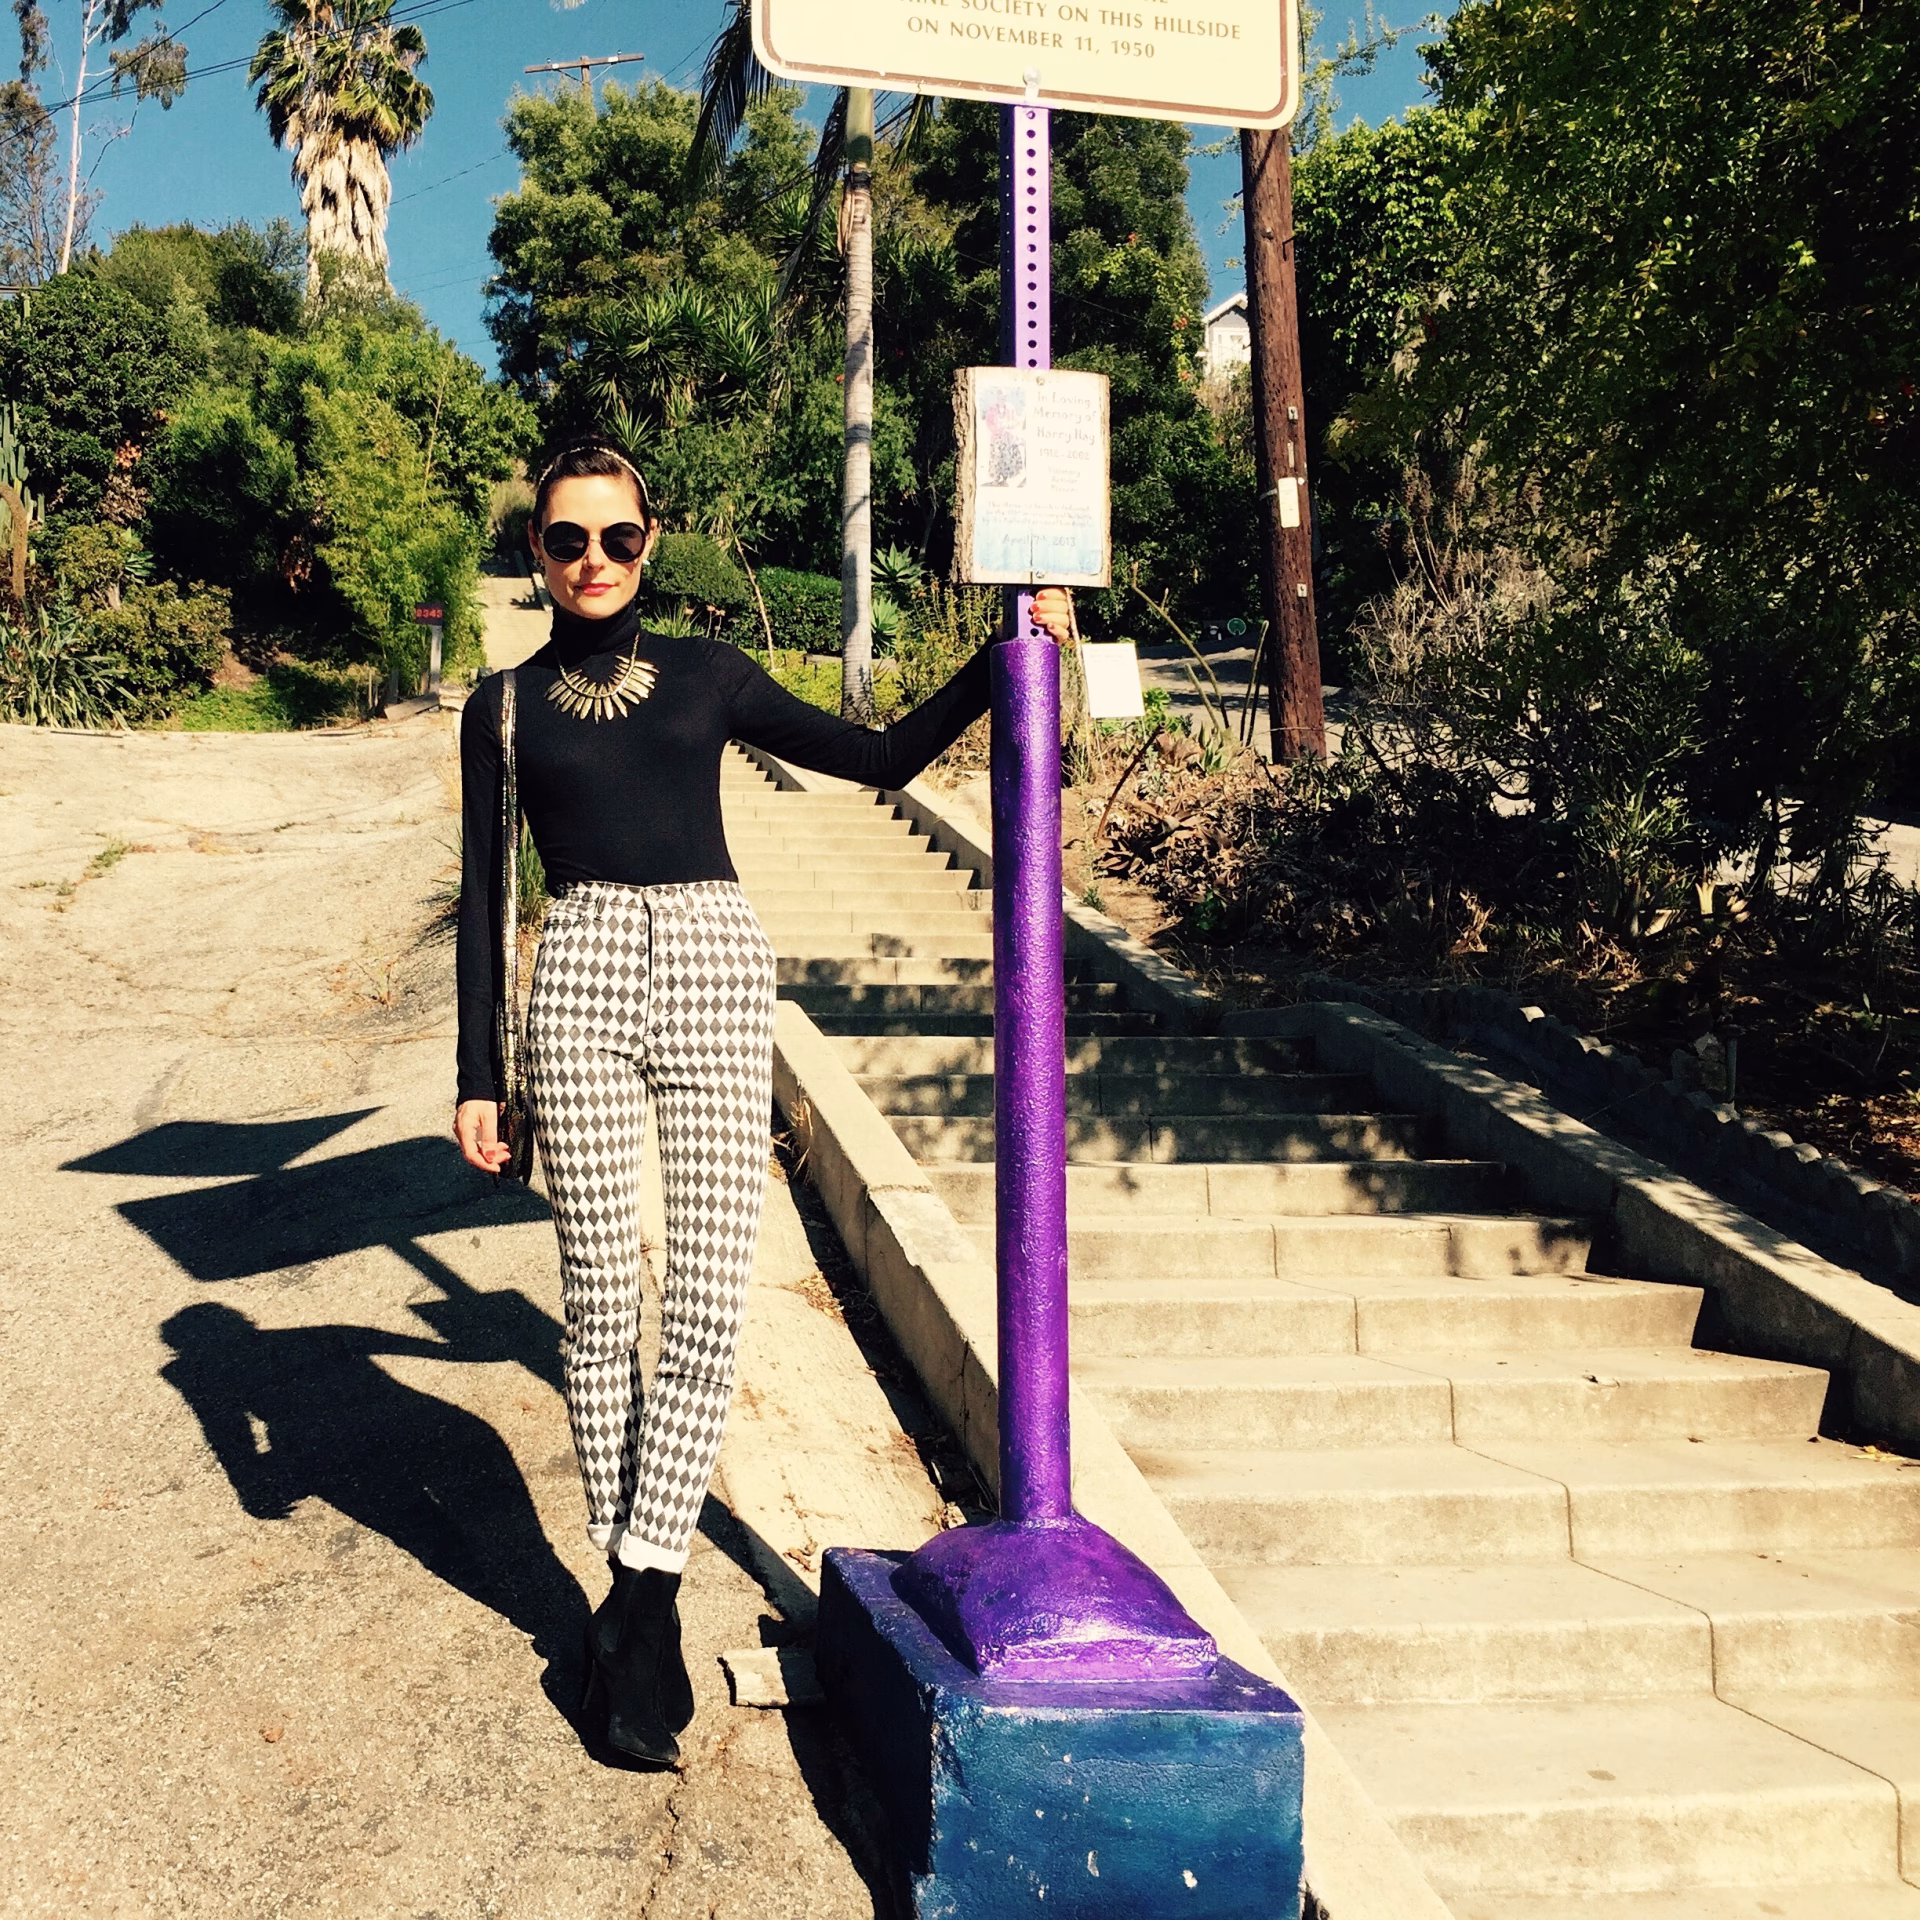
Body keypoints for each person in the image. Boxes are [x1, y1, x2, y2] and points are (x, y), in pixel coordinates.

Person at [453, 437, 1073, 1769]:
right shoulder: (501, 707)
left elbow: (881, 756)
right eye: (568, 540)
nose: (595, 562)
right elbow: (488, 900)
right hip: (579, 975)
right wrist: (476, 1079)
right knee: (599, 1300)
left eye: (619, 538)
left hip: (716, 966)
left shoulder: (710, 673)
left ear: (650, 541)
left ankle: (642, 1597)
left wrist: (1007, 654)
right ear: (537, 553)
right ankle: (634, 1610)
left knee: (710, 1300)